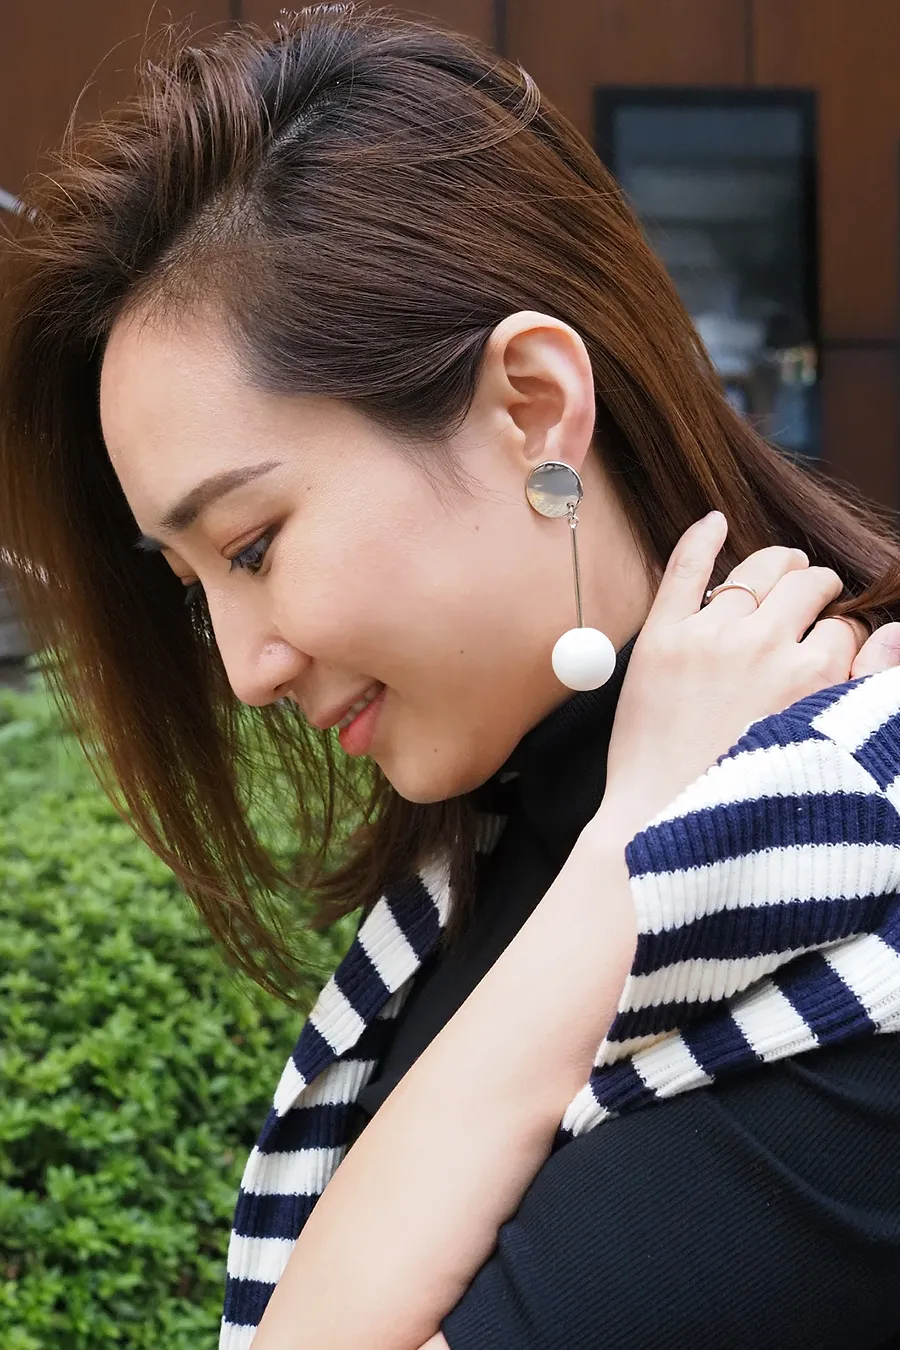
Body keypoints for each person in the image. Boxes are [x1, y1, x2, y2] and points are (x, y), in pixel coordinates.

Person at [1, 7, 899, 1348]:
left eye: (252, 545)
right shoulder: (477, 855)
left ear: (532, 407)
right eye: (196, 588)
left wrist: (620, 867)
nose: (244, 671)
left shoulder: (856, 842)